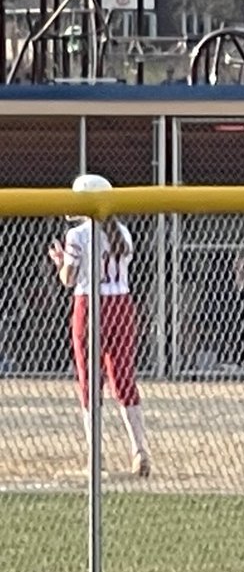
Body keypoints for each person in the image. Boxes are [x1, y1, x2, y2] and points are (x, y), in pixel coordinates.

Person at [47, 174, 151, 478]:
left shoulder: (77, 235)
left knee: (89, 381)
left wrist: (59, 262)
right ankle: (139, 448)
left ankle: (96, 456)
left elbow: (68, 279)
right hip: (121, 304)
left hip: (89, 305)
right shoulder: (123, 231)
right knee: (124, 378)